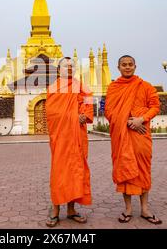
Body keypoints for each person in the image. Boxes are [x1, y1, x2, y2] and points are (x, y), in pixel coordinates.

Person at [104, 55, 162, 225]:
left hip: (141, 135)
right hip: (122, 135)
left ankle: (145, 209)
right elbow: (108, 111)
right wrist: (128, 121)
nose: (127, 67)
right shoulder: (113, 88)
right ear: (118, 67)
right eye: (124, 65)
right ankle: (128, 209)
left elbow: (155, 106)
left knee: (143, 170)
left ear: (135, 66)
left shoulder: (145, 86)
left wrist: (141, 119)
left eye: (130, 64)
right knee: (125, 171)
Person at [45, 57, 94, 227]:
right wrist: (74, 116)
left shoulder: (82, 86)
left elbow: (88, 102)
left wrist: (85, 115)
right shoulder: (53, 87)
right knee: (59, 171)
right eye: (65, 66)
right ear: (59, 70)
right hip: (61, 136)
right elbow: (52, 112)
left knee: (75, 170)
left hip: (77, 136)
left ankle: (71, 210)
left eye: (72, 66)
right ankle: (56, 209)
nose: (69, 68)